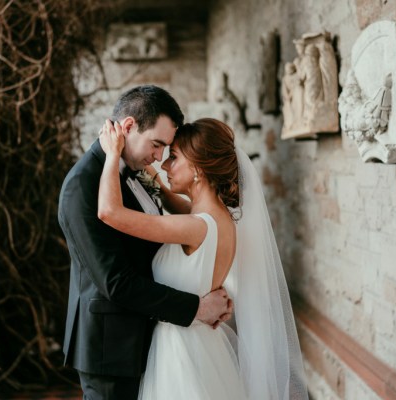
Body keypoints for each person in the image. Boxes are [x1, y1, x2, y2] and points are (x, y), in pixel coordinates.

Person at [98, 117, 309, 399]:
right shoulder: (218, 218)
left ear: (197, 168)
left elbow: (109, 212)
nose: (165, 165)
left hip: (181, 353)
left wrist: (112, 154)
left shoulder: (195, 227)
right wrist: (145, 168)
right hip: (203, 344)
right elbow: (172, 200)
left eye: (173, 157)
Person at [57, 85, 233, 400]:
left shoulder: (136, 172)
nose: (159, 158)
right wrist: (196, 307)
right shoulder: (82, 186)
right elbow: (115, 282)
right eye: (156, 145)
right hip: (111, 350)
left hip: (150, 342)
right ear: (128, 127)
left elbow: (171, 235)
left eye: (167, 150)